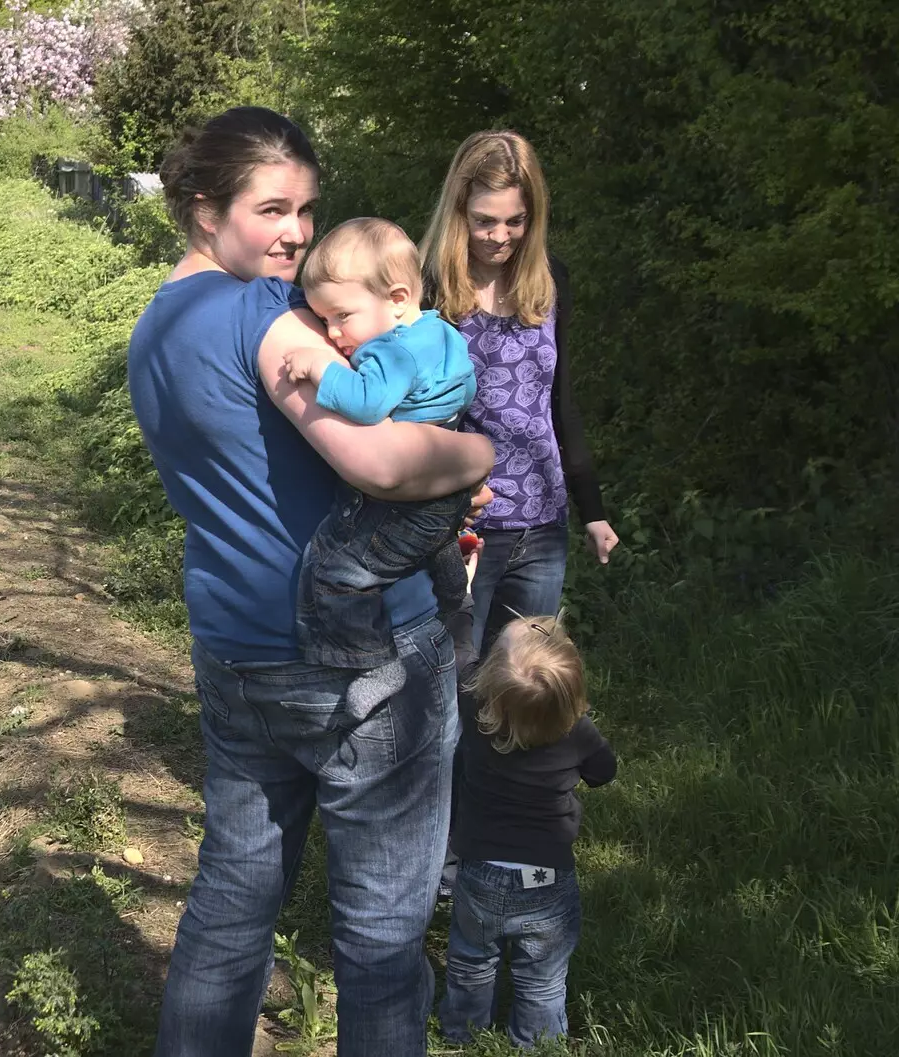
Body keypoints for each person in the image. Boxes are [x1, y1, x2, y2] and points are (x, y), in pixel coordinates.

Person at [127, 106, 495, 1057]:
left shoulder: (153, 329)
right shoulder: (260, 312)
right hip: (359, 654)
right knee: (380, 938)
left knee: (231, 902)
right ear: (206, 210)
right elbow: (374, 463)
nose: (297, 234)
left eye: (307, 210)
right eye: (272, 209)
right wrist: (476, 450)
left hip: (236, 648)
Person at [421, 129, 619, 656]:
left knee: (523, 687)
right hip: (462, 526)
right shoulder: (426, 288)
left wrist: (592, 509)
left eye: (515, 220)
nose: (499, 235)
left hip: (543, 524)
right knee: (457, 680)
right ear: (458, 210)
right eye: (484, 220)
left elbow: (559, 401)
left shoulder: (552, 281)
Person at [282, 217, 478, 667]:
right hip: (446, 480)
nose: (333, 334)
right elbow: (467, 386)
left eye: (341, 316)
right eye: (324, 320)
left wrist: (320, 367)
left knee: (339, 573)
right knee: (439, 542)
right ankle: (458, 606)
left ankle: (370, 662)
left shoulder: (390, 350)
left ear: (397, 299)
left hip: (408, 491)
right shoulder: (438, 331)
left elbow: (368, 403)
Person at [437, 604, 617, 1047]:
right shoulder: (577, 731)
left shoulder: (476, 713)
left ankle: (463, 1035)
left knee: (471, 961)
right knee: (541, 975)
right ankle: (535, 1045)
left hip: (479, 871)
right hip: (547, 878)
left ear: (490, 684)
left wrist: (461, 600)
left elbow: (461, 650)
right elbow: (604, 772)